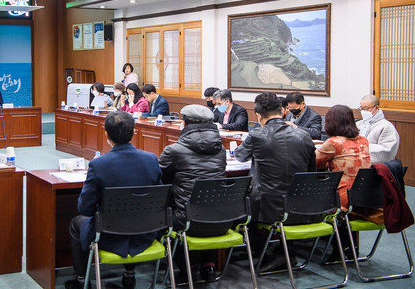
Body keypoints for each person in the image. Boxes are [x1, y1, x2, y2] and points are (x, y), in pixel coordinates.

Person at [66, 111, 162, 289]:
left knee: (75, 223)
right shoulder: (151, 160)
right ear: (134, 132)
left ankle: (81, 280)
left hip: (108, 236)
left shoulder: (99, 164)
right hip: (145, 233)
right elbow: (159, 202)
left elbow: (85, 209)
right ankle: (129, 274)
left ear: (106, 134)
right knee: (133, 215)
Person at [235, 92, 316, 271]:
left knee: (236, 212)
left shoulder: (257, 134)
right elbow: (312, 170)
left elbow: (240, 156)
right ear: (282, 111)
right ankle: (284, 251)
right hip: (300, 202)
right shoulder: (303, 135)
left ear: (258, 115)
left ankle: (272, 254)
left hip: (267, 203)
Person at [159, 104, 227, 281]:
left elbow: (160, 179)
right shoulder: (221, 150)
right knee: (206, 206)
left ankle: (187, 266)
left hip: (186, 220)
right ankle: (209, 265)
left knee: (165, 217)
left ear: (184, 124)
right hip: (222, 217)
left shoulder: (174, 151)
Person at [316, 105, 371, 211]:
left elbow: (316, 163)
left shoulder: (334, 142)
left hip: (344, 197)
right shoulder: (364, 140)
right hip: (366, 196)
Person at [356, 94, 400, 164]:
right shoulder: (358, 124)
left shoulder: (386, 126)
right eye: (361, 109)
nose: (363, 111)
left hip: (376, 167)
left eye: (366, 108)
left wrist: (359, 148)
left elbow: (387, 150)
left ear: (376, 107)